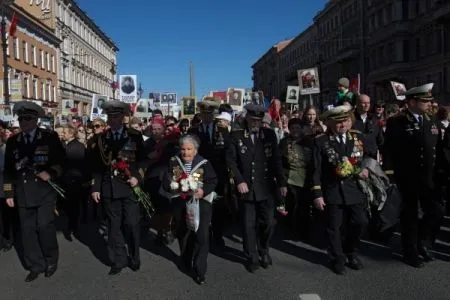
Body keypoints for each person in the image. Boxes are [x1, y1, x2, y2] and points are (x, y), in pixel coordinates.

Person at [384, 83, 445, 268]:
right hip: (408, 177)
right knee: (410, 216)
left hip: (430, 177)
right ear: (412, 102)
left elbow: (439, 150)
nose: (429, 103)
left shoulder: (432, 120)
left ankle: (424, 244)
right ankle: (410, 252)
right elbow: (389, 150)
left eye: (429, 100)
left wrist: (442, 172)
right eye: (424, 100)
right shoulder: (397, 121)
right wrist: (390, 174)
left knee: (436, 212)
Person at [3, 101, 65, 282]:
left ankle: (51, 259)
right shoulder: (13, 141)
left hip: (44, 191)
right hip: (22, 191)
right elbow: (8, 170)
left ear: (36, 120)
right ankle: (35, 265)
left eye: (27, 118)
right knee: (27, 230)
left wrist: (52, 172)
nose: (23, 122)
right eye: (21, 119)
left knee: (44, 226)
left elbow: (62, 161)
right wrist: (8, 193)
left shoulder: (49, 137)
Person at [226, 104, 286, 273]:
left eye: (259, 120)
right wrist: (239, 180)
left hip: (265, 186)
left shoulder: (269, 135)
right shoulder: (236, 135)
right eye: (253, 120)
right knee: (248, 224)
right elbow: (231, 161)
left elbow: (276, 161)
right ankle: (251, 256)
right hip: (246, 187)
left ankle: (263, 249)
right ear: (247, 118)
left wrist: (281, 182)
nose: (256, 123)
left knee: (268, 222)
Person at [311, 105, 369, 275]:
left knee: (360, 222)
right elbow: (316, 170)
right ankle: (337, 257)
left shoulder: (357, 137)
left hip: (353, 188)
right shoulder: (321, 141)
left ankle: (351, 251)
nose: (342, 124)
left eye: (346, 120)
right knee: (334, 227)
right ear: (329, 123)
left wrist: (365, 168)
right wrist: (317, 194)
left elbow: (365, 157)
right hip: (333, 190)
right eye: (338, 122)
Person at [90, 100, 145, 275]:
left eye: (116, 116)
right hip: (109, 188)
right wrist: (95, 188)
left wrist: (137, 177)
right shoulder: (101, 139)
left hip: (129, 186)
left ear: (123, 117)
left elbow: (143, 161)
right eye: (110, 117)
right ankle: (118, 260)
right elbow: (97, 167)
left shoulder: (134, 136)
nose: (112, 120)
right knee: (114, 227)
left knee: (131, 223)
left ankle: (134, 255)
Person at [162, 135, 217, 285]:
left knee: (202, 235)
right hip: (181, 201)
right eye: (183, 149)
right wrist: (171, 184)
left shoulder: (204, 163)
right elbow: (167, 178)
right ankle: (186, 259)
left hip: (201, 202)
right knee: (183, 231)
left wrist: (203, 191)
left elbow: (212, 181)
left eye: (189, 149)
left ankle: (200, 270)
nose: (185, 152)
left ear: (195, 150)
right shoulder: (174, 161)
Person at [189, 100, 231, 246]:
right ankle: (201, 234)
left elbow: (228, 151)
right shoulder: (193, 131)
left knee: (219, 206)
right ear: (200, 114)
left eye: (209, 114)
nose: (207, 117)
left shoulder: (222, 130)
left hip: (218, 174)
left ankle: (218, 235)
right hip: (198, 174)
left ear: (214, 114)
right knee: (199, 204)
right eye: (204, 113)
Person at [61, 125, 87, 240]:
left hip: (71, 179)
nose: (63, 134)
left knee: (72, 204)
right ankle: (74, 225)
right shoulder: (80, 146)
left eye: (65, 132)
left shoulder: (70, 148)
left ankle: (72, 226)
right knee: (74, 204)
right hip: (78, 179)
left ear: (71, 134)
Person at [353, 94, 384, 159]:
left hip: (372, 156)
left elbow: (380, 138)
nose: (367, 105)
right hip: (356, 156)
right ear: (357, 103)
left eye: (368, 103)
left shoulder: (374, 119)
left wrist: (383, 152)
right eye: (364, 103)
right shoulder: (351, 119)